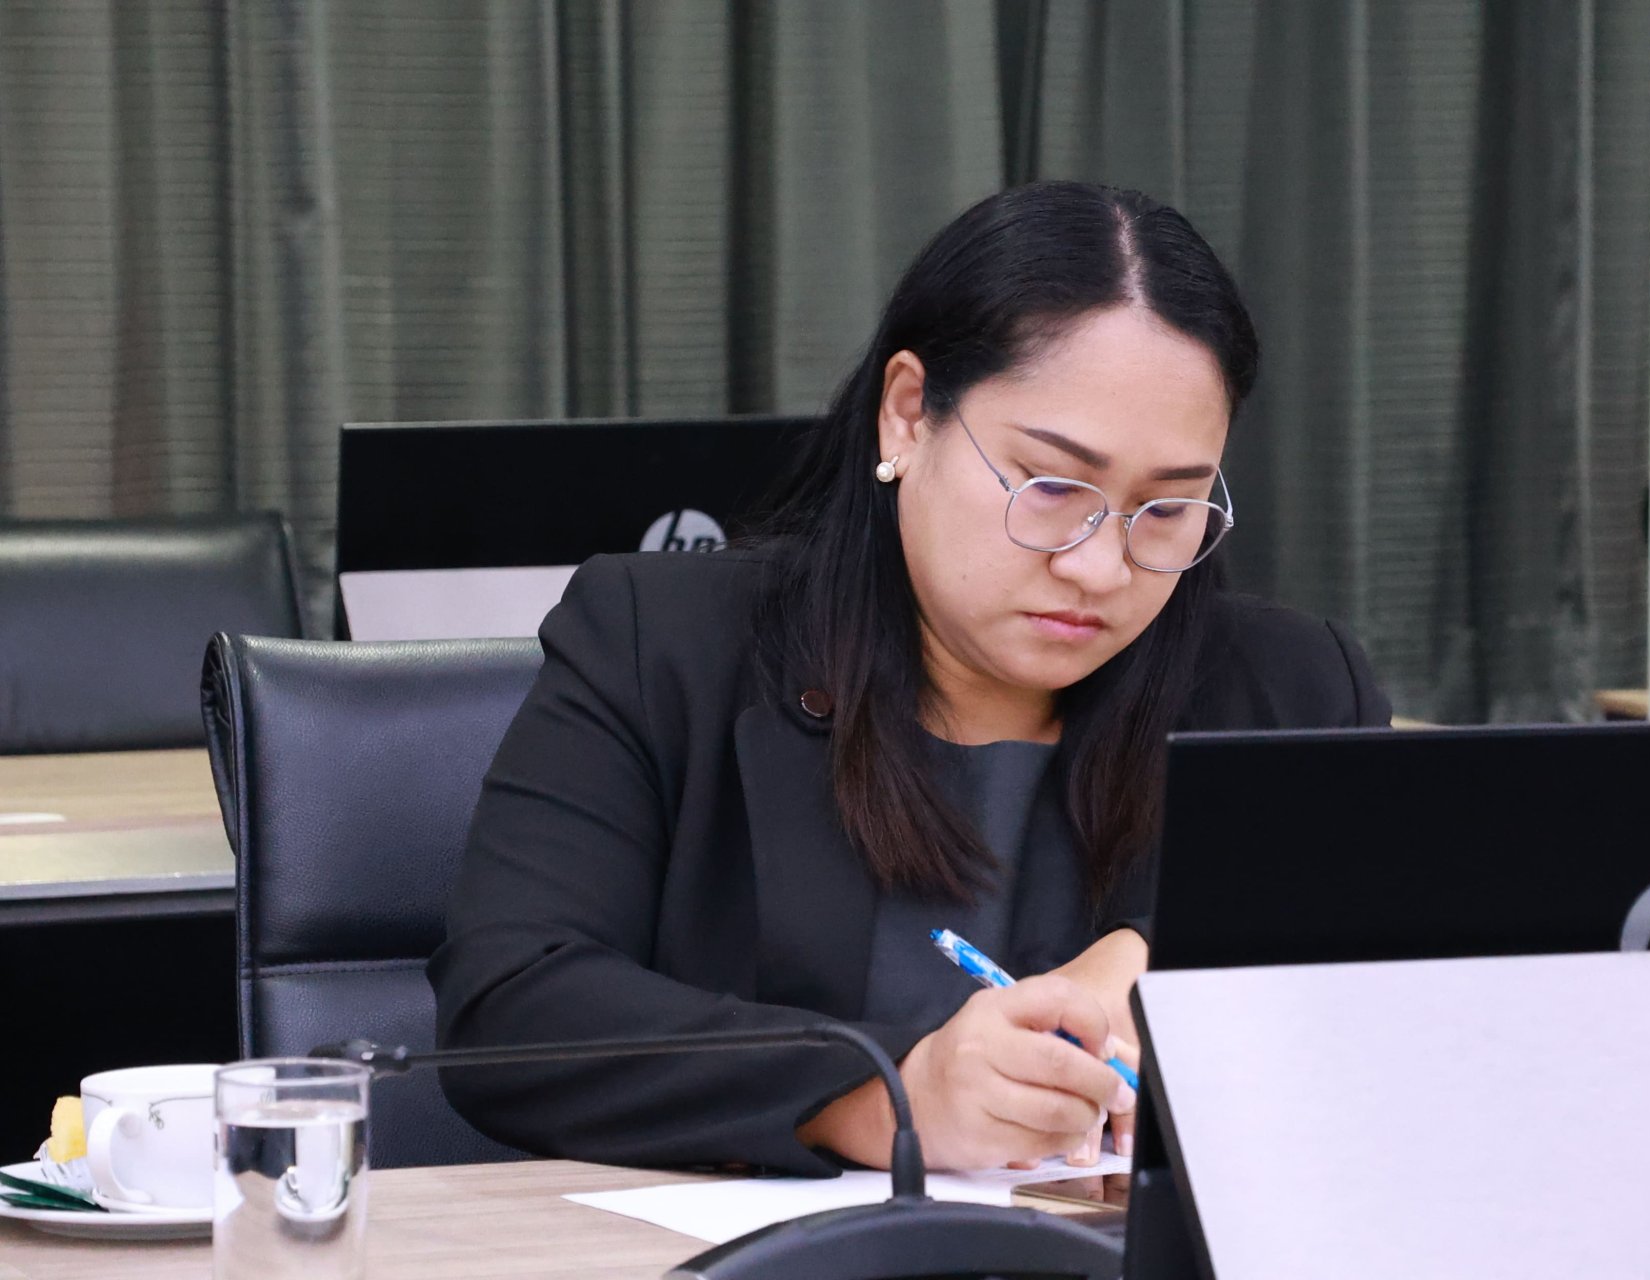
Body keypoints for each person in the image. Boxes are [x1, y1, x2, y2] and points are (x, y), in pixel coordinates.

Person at [429, 180, 1391, 1178]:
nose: (1101, 567)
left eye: (1168, 509)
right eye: (1053, 486)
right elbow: (511, 1009)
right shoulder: (666, 643)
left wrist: (1163, 951)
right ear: (906, 416)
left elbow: (1407, 995)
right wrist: (887, 1092)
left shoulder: (1289, 690)